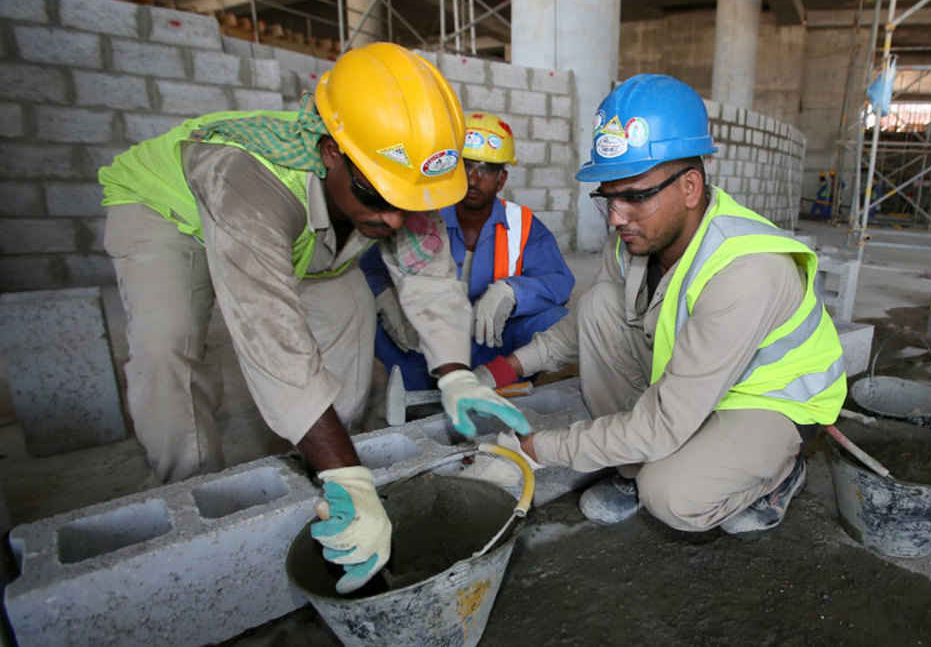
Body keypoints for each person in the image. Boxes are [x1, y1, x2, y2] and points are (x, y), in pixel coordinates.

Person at [98, 43, 528, 593]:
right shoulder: (248, 176)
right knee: (168, 347)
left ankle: (320, 469)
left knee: (348, 318)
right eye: (379, 194)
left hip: (307, 232)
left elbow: (428, 275)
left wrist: (454, 371)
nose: (396, 216)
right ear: (330, 152)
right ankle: (195, 499)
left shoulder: (389, 180)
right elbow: (268, 332)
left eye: (409, 200)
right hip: (169, 213)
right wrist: (350, 471)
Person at [471, 74, 847, 534]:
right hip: (700, 383)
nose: (615, 216)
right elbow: (581, 328)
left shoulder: (746, 270)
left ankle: (778, 475)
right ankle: (631, 467)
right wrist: (502, 369)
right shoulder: (635, 237)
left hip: (766, 399)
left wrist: (531, 450)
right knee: (600, 307)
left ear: (690, 188)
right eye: (607, 197)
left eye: (633, 196)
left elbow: (665, 421)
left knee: (670, 494)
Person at [359, 112, 574, 392]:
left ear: (501, 179)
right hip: (425, 342)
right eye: (466, 166)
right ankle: (417, 395)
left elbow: (559, 280)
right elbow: (371, 266)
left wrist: (514, 291)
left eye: (486, 169)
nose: (473, 179)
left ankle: (506, 381)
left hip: (492, 340)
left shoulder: (523, 224)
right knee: (364, 309)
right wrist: (385, 296)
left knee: (554, 318)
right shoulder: (423, 216)